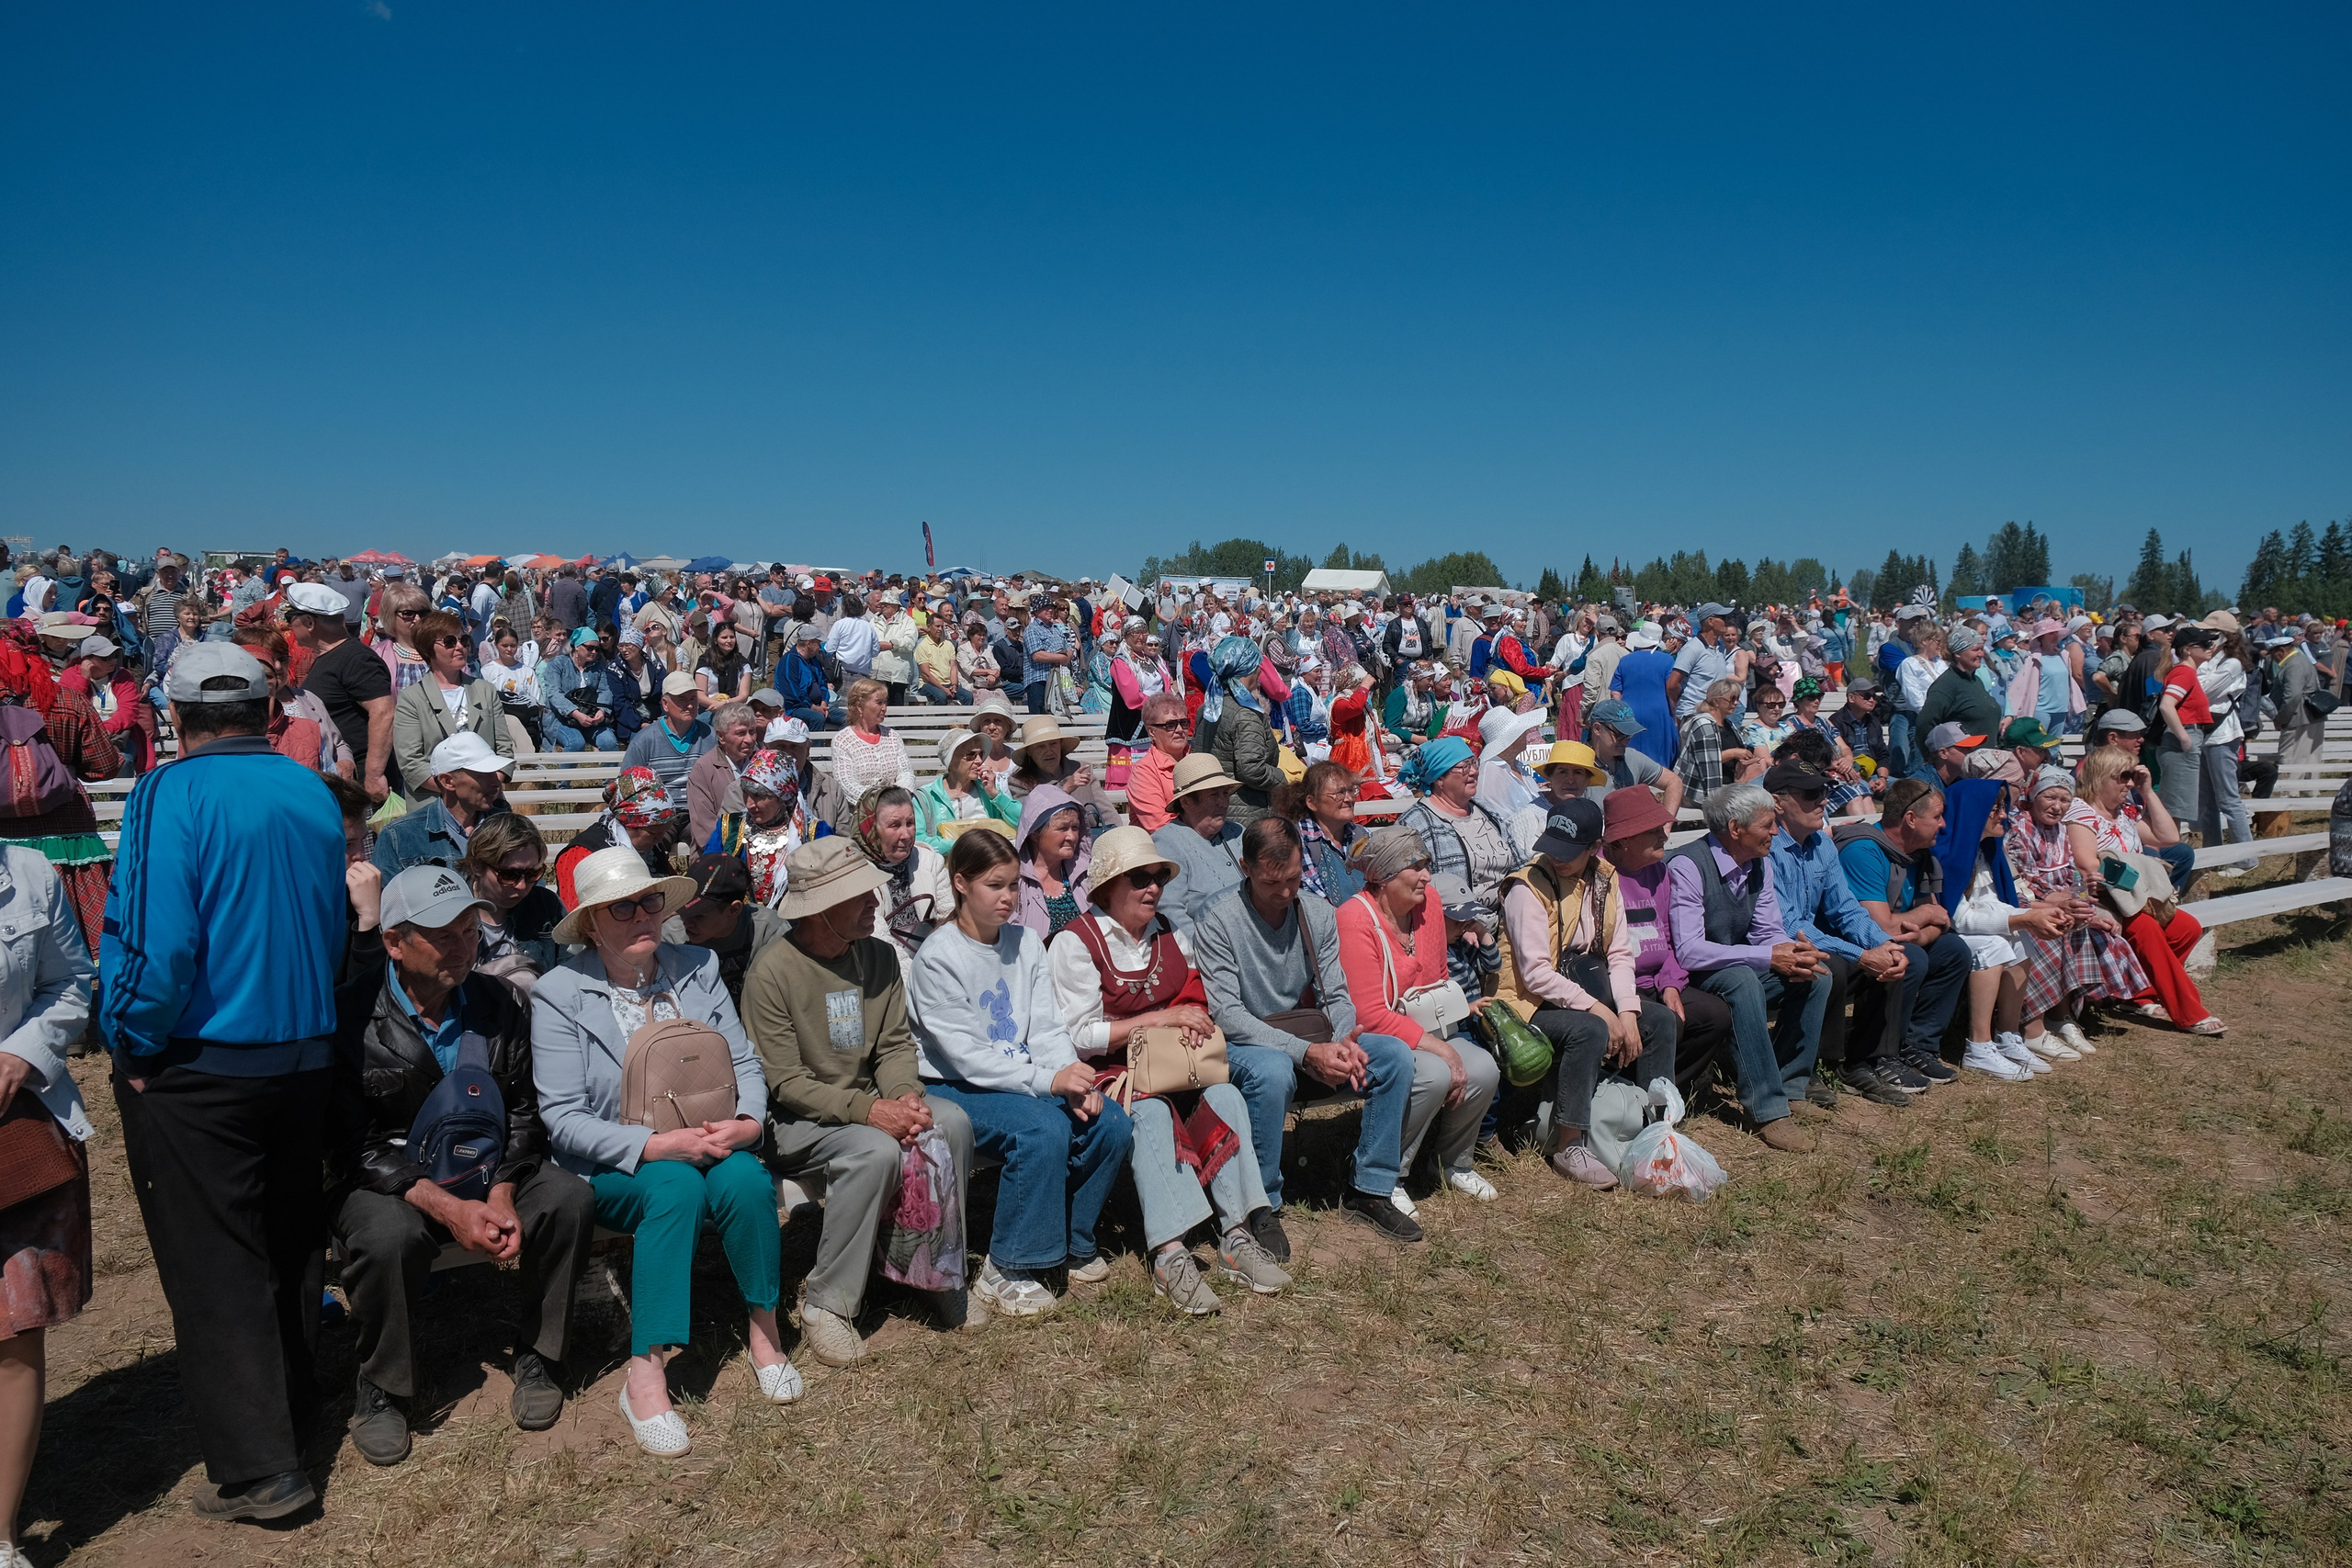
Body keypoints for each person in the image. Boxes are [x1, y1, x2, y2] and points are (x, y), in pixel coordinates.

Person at [100, 643, 345, 1522]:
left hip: (203, 1056)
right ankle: (297, 1404)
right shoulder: (307, 788)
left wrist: (130, 1041)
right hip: (304, 1046)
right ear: (266, 706)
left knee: (216, 1262)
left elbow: (154, 945)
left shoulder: (169, 791)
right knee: (286, 1239)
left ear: (175, 715)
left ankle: (260, 1466)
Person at [531, 847, 797, 1456]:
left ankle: (765, 1332)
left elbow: (744, 1061)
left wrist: (749, 1123)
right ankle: (644, 1373)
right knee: (674, 1188)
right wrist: (653, 1144)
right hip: (617, 1161)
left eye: (650, 901)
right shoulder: (559, 993)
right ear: (591, 922)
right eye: (620, 907)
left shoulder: (696, 966)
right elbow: (564, 1118)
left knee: (749, 1181)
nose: (641, 915)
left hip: (710, 1136)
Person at [329, 864, 594, 1467]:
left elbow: (525, 1113)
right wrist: (444, 1205)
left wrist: (500, 1192)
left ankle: (542, 1353)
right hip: (387, 1176)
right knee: (386, 1236)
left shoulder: (497, 1001)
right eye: (443, 934)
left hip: (487, 1165)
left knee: (567, 1198)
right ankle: (383, 1388)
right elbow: (350, 1142)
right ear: (394, 941)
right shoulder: (349, 1014)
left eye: (470, 930)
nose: (463, 946)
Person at [1046, 828, 1291, 1314]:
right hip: (1106, 1073)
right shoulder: (1076, 943)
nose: (1153, 887)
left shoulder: (1172, 934)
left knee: (1227, 1096)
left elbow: (1193, 1001)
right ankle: (1170, 1253)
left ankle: (1236, 1236)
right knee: (1150, 1113)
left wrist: (1191, 1022)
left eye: (1158, 876)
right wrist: (1158, 1019)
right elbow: (1079, 1036)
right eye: (1140, 877)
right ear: (1106, 887)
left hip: (1176, 1065)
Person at [745, 838, 973, 1360]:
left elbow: (894, 1044)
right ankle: (829, 1302)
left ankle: (934, 1270)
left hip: (872, 1099)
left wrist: (906, 1097)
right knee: (872, 1151)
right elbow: (785, 1083)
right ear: (820, 909)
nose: (876, 902)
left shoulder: (876, 955)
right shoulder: (772, 974)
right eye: (860, 896)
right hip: (797, 1120)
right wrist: (872, 1112)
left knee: (952, 1122)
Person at [909, 830, 1134, 1315]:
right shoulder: (938, 957)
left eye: (1013, 885)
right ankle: (1007, 1265)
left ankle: (1071, 1240)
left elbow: (1048, 1027)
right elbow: (965, 1056)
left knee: (1111, 1122)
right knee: (1042, 1128)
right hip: (954, 1086)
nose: (1009, 898)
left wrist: (1071, 1076)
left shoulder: (1026, 942)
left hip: (1023, 1074)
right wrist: (1046, 1083)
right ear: (961, 883)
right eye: (995, 885)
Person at [1193, 817, 1423, 1247]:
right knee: (1273, 1071)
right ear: (1245, 868)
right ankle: (1262, 1203)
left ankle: (1371, 1188)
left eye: (1294, 879)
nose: (1284, 893)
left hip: (1309, 1039)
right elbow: (1228, 1014)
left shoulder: (1316, 912)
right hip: (1244, 1045)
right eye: (1271, 883)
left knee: (1391, 1055)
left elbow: (1335, 992)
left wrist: (1341, 1043)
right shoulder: (1217, 918)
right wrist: (1307, 1053)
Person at [1487, 798, 1670, 1185]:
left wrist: (1628, 1012)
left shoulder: (1605, 877)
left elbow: (1619, 953)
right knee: (1589, 1030)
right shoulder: (1526, 888)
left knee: (1660, 1021)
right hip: (1525, 1003)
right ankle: (1571, 1145)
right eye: (1552, 847)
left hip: (1583, 988)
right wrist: (1602, 1013)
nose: (1557, 858)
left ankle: (1653, 1129)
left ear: (1594, 848)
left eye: (1569, 852)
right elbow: (1535, 975)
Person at [0, 843, 96, 1562]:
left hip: (11, 1136)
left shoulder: (28, 873)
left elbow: (71, 983)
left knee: (12, 1331)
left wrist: (22, 1052)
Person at [1335, 827, 1502, 1207]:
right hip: (1373, 1036)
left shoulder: (1427, 908)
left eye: (1427, 865)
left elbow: (1438, 980)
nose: (1427, 876)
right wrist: (1445, 1052)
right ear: (1385, 876)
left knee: (1484, 1068)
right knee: (1434, 1072)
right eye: (1416, 867)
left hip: (1424, 1021)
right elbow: (1369, 1015)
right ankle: (1389, 1172)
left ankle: (1452, 1163)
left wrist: (1447, 1046)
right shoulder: (1354, 919)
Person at [1665, 781, 1831, 1153]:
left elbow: (1768, 931)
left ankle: (1792, 1085)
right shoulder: (1688, 865)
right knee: (1742, 981)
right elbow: (1689, 951)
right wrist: (1767, 957)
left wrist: (1791, 952)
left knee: (1815, 976)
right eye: (1767, 824)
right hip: (1691, 976)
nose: (1775, 831)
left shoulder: (1759, 863)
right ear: (1736, 829)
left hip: (1736, 962)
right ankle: (1768, 1109)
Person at [1760, 761, 1916, 1109]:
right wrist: (1862, 954)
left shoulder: (1822, 845)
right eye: (1811, 794)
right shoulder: (1765, 847)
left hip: (1807, 938)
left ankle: (1866, 1061)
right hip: (1771, 947)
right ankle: (1815, 1063)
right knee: (1835, 965)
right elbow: (1789, 926)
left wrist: (1882, 944)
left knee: (1895, 959)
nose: (1823, 802)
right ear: (1778, 802)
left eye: (1825, 793)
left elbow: (1846, 909)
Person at [2064, 746, 2222, 1035]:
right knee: (2147, 930)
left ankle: (2139, 995)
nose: (2128, 784)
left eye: (2131, 777)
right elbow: (2089, 865)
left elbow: (2169, 837)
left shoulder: (2124, 812)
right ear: (2100, 778)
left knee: (2187, 928)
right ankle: (2189, 1013)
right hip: (2104, 901)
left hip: (2133, 899)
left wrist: (2147, 791)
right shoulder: (2081, 812)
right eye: (2123, 776)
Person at [1934, 767, 2075, 1079]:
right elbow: (1960, 918)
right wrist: (2023, 917)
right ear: (1974, 813)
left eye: (2004, 807)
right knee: (1993, 945)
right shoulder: (1948, 854)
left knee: (2021, 940)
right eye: (1995, 809)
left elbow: (1996, 904)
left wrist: (2030, 920)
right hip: (1946, 935)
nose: (2003, 815)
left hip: (1967, 928)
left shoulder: (1986, 852)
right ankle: (1978, 1046)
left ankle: (2008, 1035)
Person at [1832, 776, 1970, 1091]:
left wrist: (1921, 934)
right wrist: (1922, 917)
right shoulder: (1864, 851)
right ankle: (1874, 1055)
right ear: (1910, 818)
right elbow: (1879, 928)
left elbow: (1941, 921)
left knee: (1953, 951)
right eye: (1936, 816)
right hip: (1847, 945)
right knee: (1910, 957)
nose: (1943, 825)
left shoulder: (1920, 853)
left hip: (1897, 940)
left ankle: (1916, 1045)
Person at [1596, 784, 1732, 1101]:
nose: (1665, 836)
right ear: (1625, 839)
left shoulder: (1657, 871)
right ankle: (1636, 1096)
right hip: (1616, 987)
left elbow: (1668, 937)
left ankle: (1667, 1091)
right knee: (1666, 1021)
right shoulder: (1598, 875)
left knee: (1715, 1016)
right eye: (1654, 830)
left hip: (1656, 980)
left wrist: (1671, 984)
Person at [287, 580, 395, 803]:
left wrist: (374, 776)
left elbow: (384, 712)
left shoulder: (356, 658)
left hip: (360, 780)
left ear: (309, 622)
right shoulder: (333, 656)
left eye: (291, 618)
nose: (289, 625)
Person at [390, 610, 513, 798]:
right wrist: (460, 792)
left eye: (463, 640)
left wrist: (487, 786)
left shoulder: (486, 690)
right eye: (449, 642)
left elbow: (504, 748)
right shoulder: (411, 699)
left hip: (487, 800)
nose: (459, 647)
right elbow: (411, 763)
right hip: (433, 803)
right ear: (428, 649)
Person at [372, 731, 515, 876]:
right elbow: (388, 896)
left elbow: (534, 891)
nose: (496, 782)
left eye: (495, 772)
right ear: (447, 781)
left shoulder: (512, 828)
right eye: (483, 774)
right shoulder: (399, 836)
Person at [662, 852, 789, 1006]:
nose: (687, 923)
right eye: (683, 911)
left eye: (699, 915)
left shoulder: (769, 930)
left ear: (734, 910)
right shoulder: (670, 939)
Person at [460, 811, 563, 998]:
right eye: (509, 874)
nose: (522, 885)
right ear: (477, 866)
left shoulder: (547, 906)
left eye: (533, 873)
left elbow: (570, 973)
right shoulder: (452, 909)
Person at [555, 766, 689, 906]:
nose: (659, 839)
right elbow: (573, 913)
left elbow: (674, 895)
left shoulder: (653, 850)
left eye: (664, 832)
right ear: (628, 822)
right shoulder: (582, 853)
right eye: (653, 833)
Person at [1194, 635, 1284, 827]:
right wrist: (1282, 778)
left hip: (1211, 808)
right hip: (1246, 814)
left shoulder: (1209, 707)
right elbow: (1252, 769)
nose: (1260, 671)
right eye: (1257, 665)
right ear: (1249, 669)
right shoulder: (1245, 715)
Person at [1004, 715, 1118, 837]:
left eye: (1053, 744)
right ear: (1029, 752)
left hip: (1091, 840)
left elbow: (1107, 812)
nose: (1048, 751)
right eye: (1041, 746)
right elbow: (1032, 819)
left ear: (1061, 745)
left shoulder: (1082, 769)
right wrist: (1064, 790)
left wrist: (1118, 836)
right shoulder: (1019, 781)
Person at [60, 635, 154, 775]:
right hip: (81, 736)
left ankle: (121, 797)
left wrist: (104, 729)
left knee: (124, 760)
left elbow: (129, 712)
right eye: (105, 657)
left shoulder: (124, 676)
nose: (113, 660)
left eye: (115, 655)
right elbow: (68, 708)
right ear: (87, 660)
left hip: (117, 735)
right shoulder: (70, 675)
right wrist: (83, 680)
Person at [2154, 625, 2217, 832]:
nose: (2211, 647)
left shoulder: (2185, 672)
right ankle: (2170, 855)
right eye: (2205, 644)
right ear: (2187, 650)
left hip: (2184, 740)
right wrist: (2184, 738)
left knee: (2177, 807)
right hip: (2181, 742)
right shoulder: (2184, 673)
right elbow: (2166, 705)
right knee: (2175, 808)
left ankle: (2171, 853)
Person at [915, 729, 1020, 853]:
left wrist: (996, 795)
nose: (979, 761)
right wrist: (962, 846)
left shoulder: (989, 791)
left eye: (981, 754)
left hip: (987, 864)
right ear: (951, 760)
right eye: (971, 755)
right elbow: (917, 839)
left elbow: (1022, 822)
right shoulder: (926, 797)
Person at [1281, 759, 1366, 906]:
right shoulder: (1298, 840)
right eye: (1339, 793)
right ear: (1312, 803)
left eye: (1351, 790)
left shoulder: (1361, 833)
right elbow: (1316, 899)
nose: (1349, 799)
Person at [1584, 697, 1683, 816]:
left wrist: (1666, 826)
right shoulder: (1579, 766)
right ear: (1597, 729)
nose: (1626, 741)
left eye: (1629, 734)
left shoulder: (1632, 757)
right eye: (1620, 734)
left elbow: (1674, 781)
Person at [684, 702, 762, 852]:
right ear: (721, 736)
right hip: (718, 853)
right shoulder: (704, 769)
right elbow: (704, 828)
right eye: (740, 733)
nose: (749, 740)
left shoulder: (762, 763)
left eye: (752, 732)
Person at [618, 671, 710, 786]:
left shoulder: (710, 736)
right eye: (682, 699)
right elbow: (628, 785)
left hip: (701, 803)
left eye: (693, 699)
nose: (690, 705)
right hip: (659, 803)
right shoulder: (644, 740)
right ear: (665, 704)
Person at [1674, 678, 1755, 804]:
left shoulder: (1728, 724)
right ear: (1717, 701)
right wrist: (1733, 753)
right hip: (1704, 793)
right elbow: (1707, 763)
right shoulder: (1704, 725)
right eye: (1732, 699)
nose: (1736, 703)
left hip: (1729, 786)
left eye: (1738, 698)